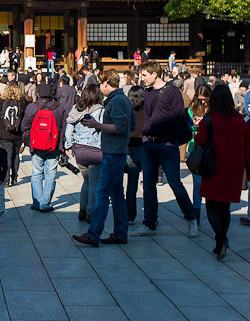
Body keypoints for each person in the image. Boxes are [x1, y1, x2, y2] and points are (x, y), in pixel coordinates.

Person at [132, 61, 199, 238]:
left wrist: (168, 136)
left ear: (155, 74)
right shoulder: (145, 93)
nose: (142, 78)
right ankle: (149, 222)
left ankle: (191, 217)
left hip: (167, 144)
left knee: (175, 183)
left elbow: (178, 117)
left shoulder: (172, 92)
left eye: (145, 75)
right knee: (148, 185)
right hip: (148, 144)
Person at [72, 69, 136, 247]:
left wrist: (97, 124)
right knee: (116, 195)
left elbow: (120, 127)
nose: (100, 88)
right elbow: (130, 125)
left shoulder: (116, 101)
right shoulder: (125, 100)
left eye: (101, 84)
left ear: (107, 83)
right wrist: (103, 127)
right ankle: (121, 232)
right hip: (119, 150)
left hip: (113, 152)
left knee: (102, 194)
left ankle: (94, 233)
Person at [194, 84, 250, 260]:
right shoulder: (240, 121)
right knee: (225, 207)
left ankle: (220, 238)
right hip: (233, 168)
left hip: (214, 166)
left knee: (212, 206)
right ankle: (220, 241)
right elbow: (247, 148)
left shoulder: (209, 119)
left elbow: (199, 140)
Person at [21, 82, 66, 212]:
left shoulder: (32, 107)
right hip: (54, 145)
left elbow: (24, 126)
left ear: (38, 94)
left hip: (36, 146)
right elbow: (63, 128)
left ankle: (37, 201)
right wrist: (62, 146)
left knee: (36, 174)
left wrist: (29, 141)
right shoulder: (59, 107)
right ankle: (45, 204)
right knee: (50, 175)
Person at [65, 84, 104, 222]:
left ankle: (82, 209)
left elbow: (68, 130)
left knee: (86, 181)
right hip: (95, 149)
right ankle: (90, 212)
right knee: (94, 182)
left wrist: (69, 146)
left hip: (80, 150)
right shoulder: (100, 111)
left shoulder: (76, 109)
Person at [0, 81, 27, 186]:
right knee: (16, 155)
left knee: (6, 156)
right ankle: (14, 177)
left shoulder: (2, 100)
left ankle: (6, 179)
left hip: (4, 132)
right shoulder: (22, 101)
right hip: (18, 132)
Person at [188, 84, 213, 224]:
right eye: (200, 99)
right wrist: (194, 124)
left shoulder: (214, 110)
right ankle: (196, 212)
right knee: (197, 184)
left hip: (210, 148)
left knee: (210, 183)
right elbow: (187, 126)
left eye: (205, 99)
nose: (203, 102)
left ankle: (212, 211)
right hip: (195, 146)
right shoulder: (192, 109)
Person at [125, 86, 145, 224]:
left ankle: (130, 215)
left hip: (130, 147)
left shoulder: (127, 110)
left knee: (130, 187)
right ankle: (151, 217)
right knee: (149, 186)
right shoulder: (147, 110)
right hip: (144, 147)